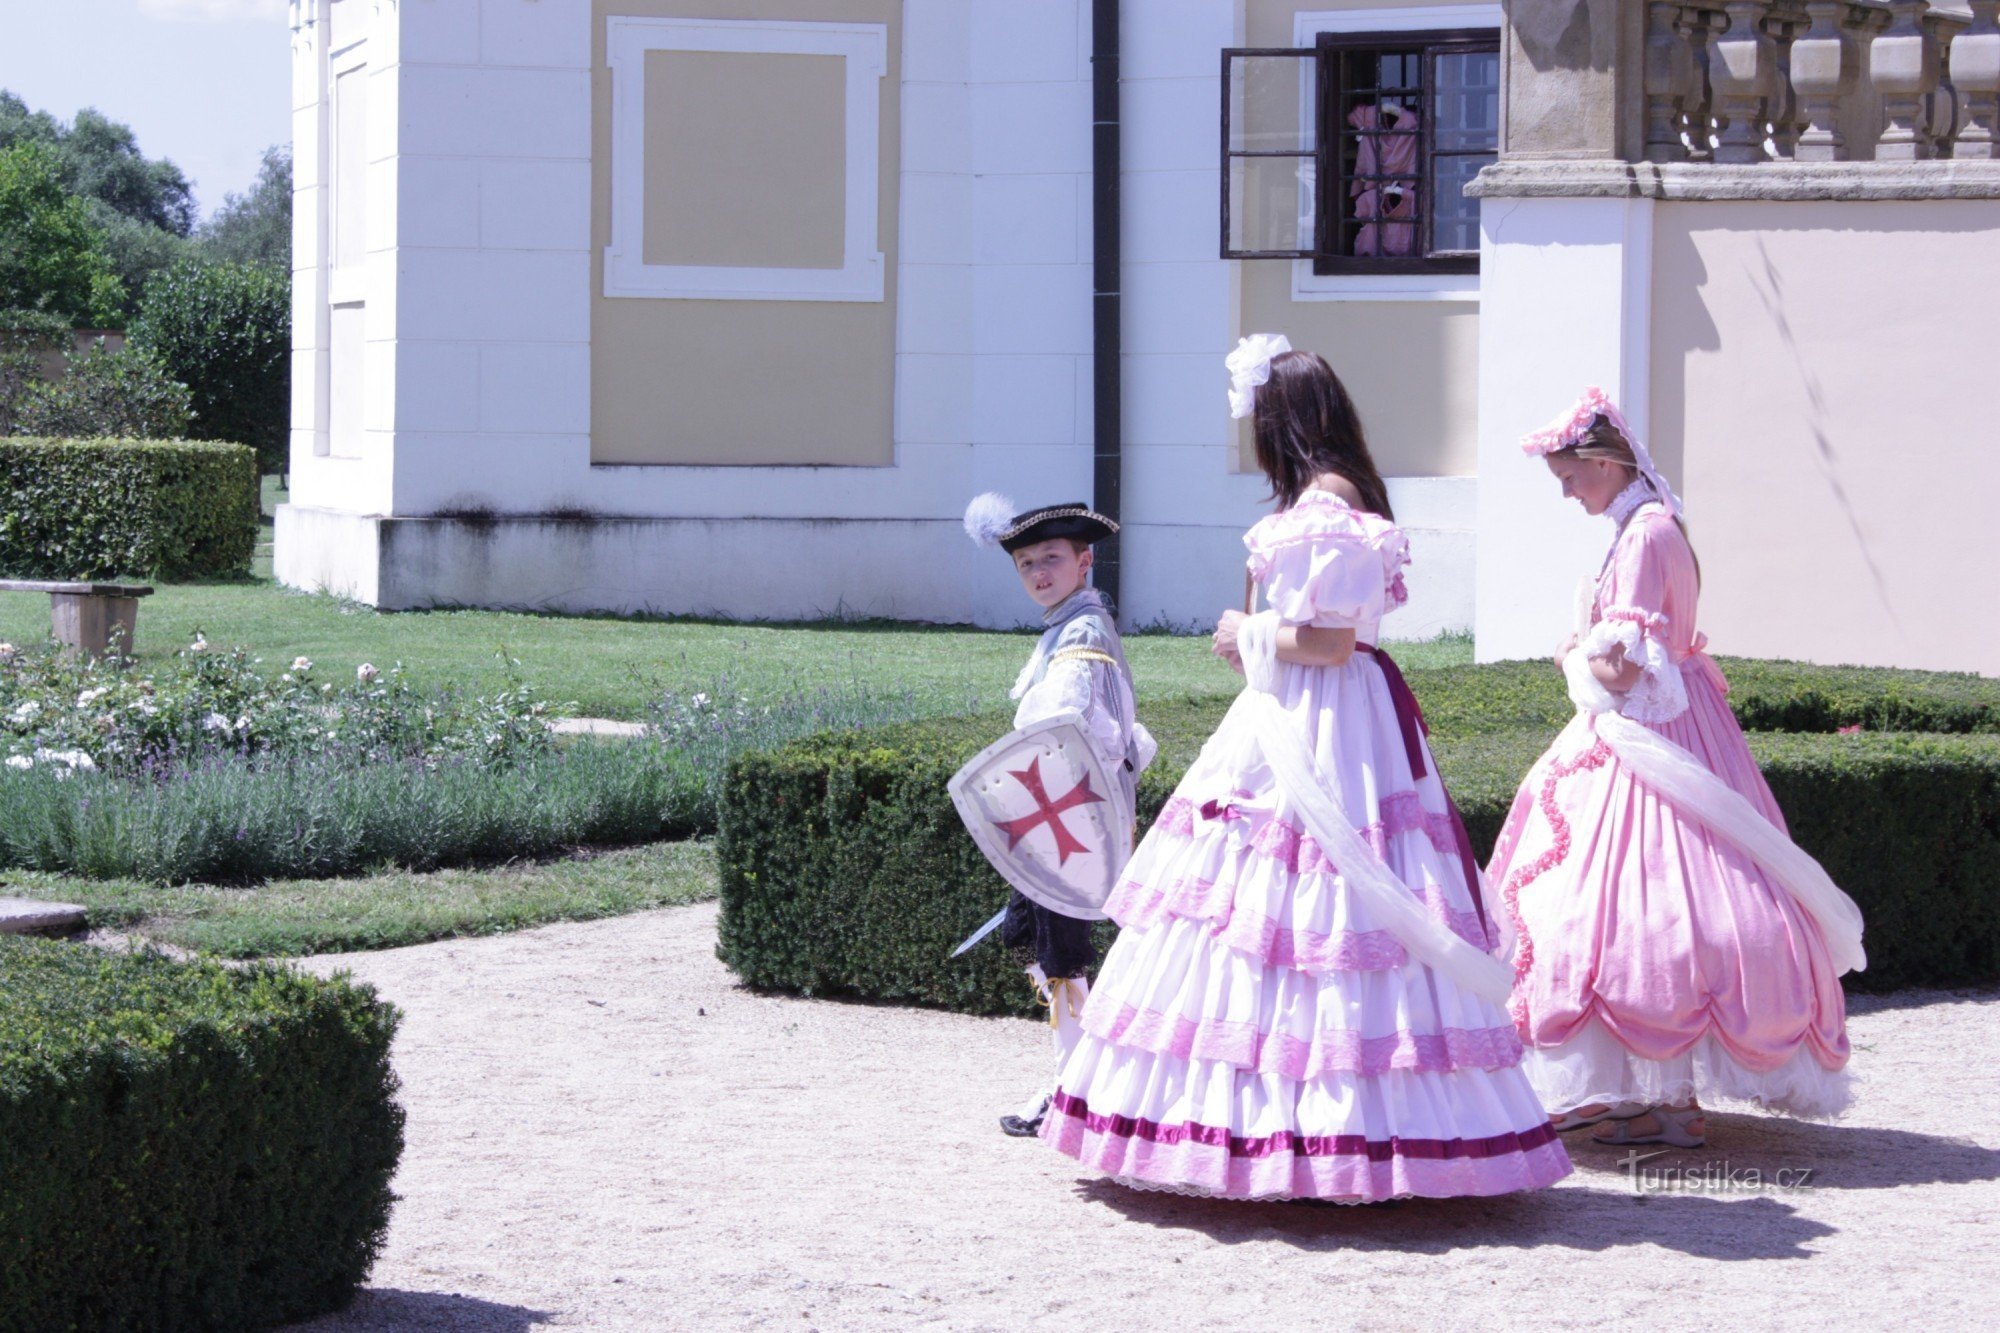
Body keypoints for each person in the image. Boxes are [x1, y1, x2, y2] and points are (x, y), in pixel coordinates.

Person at [1037, 335, 1570, 1201]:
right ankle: (1321, 1133)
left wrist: (1241, 633)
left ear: (1281, 423)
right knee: (1298, 907)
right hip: (1310, 709)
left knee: (1302, 902)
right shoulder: (1331, 502)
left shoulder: (1326, 507)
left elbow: (1328, 641)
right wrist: (1254, 637)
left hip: (1320, 718)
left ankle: (1302, 1139)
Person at [1490, 388, 1863, 1149]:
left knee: (1648, 896)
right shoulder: (1653, 525)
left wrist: (1573, 654)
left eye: (1570, 477)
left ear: (1602, 463)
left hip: (1651, 732)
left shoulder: (1645, 534)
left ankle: (1666, 1100)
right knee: (1658, 899)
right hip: (1686, 722)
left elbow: (1622, 669)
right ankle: (1643, 1095)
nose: (1567, 493)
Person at [963, 494, 1157, 1138]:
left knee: (1060, 953)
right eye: (1025, 564)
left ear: (1085, 560)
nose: (1039, 573)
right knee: (1045, 946)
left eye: (1051, 559)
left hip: (1070, 830)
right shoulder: (1072, 626)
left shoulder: (1078, 633)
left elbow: (1063, 728)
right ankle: (1076, 1078)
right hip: (1067, 826)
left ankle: (1075, 1089)